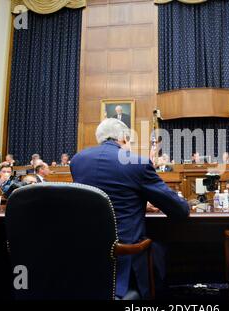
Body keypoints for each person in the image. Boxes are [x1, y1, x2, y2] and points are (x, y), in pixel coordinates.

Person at [70, 118, 189, 299]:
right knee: (161, 249)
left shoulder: (78, 161)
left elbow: (104, 196)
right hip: (124, 259)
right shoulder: (136, 162)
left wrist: (138, 202)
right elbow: (180, 211)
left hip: (86, 256)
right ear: (124, 138)